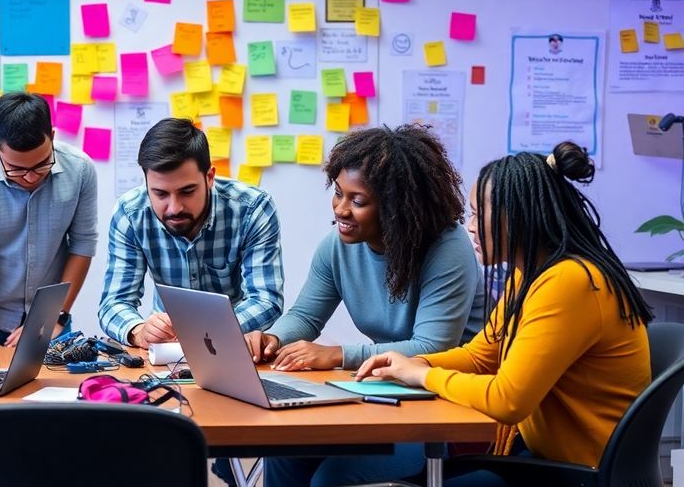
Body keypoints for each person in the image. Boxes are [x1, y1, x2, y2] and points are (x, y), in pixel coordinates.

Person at [355, 142, 653, 486]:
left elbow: (507, 400)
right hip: (543, 461)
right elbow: (481, 356)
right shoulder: (529, 275)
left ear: (519, 214)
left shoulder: (571, 282)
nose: (469, 227)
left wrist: (422, 376)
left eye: (478, 215)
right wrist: (419, 363)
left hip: (579, 475)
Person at [249, 125, 486, 486]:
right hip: (382, 395)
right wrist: (273, 339)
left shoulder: (447, 249)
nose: (341, 209)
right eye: (338, 194)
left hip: (446, 406)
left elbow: (432, 347)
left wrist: (338, 355)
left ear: (396, 207)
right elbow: (305, 315)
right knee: (283, 451)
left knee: (330, 480)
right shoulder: (338, 245)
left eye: (358, 201)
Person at [97, 117, 284, 348]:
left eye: (187, 191)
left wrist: (203, 331)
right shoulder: (130, 213)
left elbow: (266, 299)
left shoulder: (253, 208)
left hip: (230, 342)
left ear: (210, 177)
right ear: (146, 183)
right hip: (165, 348)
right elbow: (114, 303)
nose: (174, 207)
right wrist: (140, 331)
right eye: (160, 194)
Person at [0, 92, 98, 348]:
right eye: (16, 169)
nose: (30, 177)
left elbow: (83, 245)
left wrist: (57, 316)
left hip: (53, 317)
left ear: (52, 136)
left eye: (42, 164)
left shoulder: (81, 170)